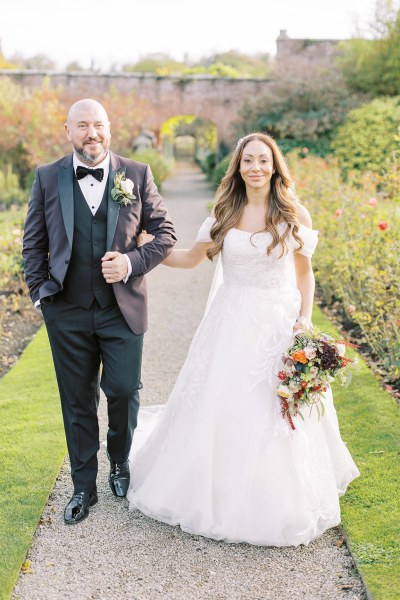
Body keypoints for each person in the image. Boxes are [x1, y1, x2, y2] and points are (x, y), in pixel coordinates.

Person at [128, 132, 359, 547]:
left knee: (275, 403)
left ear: (274, 166)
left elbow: (304, 273)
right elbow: (190, 259)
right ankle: (212, 487)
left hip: (277, 321)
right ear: (238, 167)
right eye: (248, 160)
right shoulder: (224, 213)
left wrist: (304, 318)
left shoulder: (294, 213)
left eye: (263, 160)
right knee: (222, 398)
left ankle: (278, 492)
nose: (255, 167)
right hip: (230, 321)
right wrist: (151, 248)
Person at [22, 99, 176, 525]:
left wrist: (131, 263)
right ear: (67, 130)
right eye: (83, 126)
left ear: (110, 129)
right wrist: (41, 296)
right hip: (66, 310)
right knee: (77, 401)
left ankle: (121, 462)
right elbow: (33, 243)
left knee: (124, 391)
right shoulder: (48, 177)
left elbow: (165, 233)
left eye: (99, 125)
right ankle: (83, 487)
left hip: (121, 309)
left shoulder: (138, 174)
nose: (93, 133)